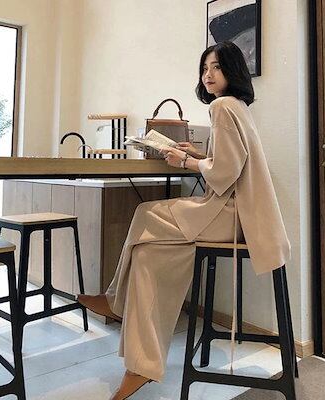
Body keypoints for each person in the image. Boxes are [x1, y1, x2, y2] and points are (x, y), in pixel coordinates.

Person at [78, 41, 290, 400]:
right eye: (205, 68)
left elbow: (225, 171)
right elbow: (231, 160)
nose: (208, 74)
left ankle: (116, 304)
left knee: (144, 212)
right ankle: (139, 362)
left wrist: (185, 161)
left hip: (228, 214)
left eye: (217, 67)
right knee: (148, 254)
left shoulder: (222, 106)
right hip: (241, 217)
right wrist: (199, 153)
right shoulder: (238, 106)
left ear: (233, 70)